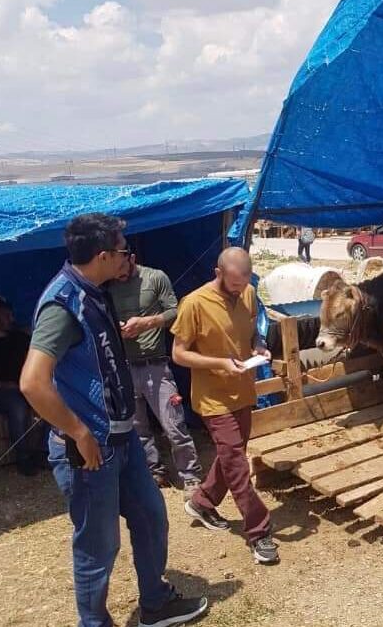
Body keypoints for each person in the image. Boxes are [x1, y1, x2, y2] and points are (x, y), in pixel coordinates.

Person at [20, 213, 207, 627]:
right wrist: (78, 431)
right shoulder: (63, 304)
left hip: (123, 441)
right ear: (103, 255)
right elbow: (32, 382)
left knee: (151, 517)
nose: (128, 257)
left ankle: (155, 604)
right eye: (123, 251)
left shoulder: (96, 290)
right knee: (98, 546)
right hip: (91, 452)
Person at [171, 247, 279, 564]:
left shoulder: (248, 293)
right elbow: (179, 354)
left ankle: (202, 501)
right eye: (233, 285)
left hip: (242, 391)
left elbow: (251, 335)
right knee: (236, 461)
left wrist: (259, 346)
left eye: (243, 284)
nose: (239, 291)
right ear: (218, 273)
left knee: (229, 455)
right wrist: (219, 362)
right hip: (212, 397)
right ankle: (259, 531)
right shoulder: (193, 303)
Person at [109, 253, 202, 497]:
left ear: (131, 258)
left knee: (174, 425)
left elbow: (175, 311)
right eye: (113, 270)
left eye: (121, 268)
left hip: (156, 366)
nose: (118, 274)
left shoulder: (155, 277)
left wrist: (146, 323)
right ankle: (155, 471)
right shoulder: (107, 284)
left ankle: (190, 476)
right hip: (125, 367)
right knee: (138, 428)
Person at [0, 299, 39, 475]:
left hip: (26, 387)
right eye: (6, 315)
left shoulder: (21, 339)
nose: (11, 319)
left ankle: (44, 451)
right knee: (16, 404)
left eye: (12, 315)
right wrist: (5, 384)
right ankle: (23, 458)